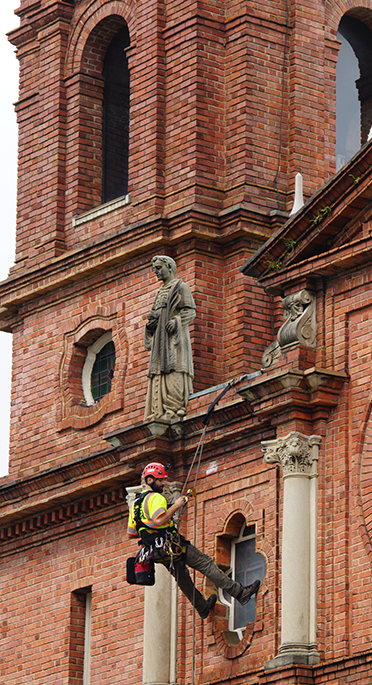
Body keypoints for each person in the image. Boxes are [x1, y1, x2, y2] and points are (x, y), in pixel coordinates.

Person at [128, 462, 260, 619]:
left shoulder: (135, 504)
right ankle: (239, 592)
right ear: (149, 480)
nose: (163, 484)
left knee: (182, 577)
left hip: (153, 552)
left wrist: (153, 530)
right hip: (170, 546)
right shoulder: (156, 498)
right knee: (205, 563)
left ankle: (202, 607)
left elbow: (132, 533)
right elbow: (159, 520)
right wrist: (176, 506)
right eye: (160, 480)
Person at [144, 255, 196, 421]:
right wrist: (151, 323)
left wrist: (176, 321)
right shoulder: (159, 292)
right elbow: (156, 315)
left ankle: (174, 407)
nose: (156, 272)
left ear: (169, 267)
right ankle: (159, 410)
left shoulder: (181, 287)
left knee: (175, 367)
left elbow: (190, 311)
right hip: (160, 339)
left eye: (159, 268)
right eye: (154, 270)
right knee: (158, 369)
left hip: (174, 339)